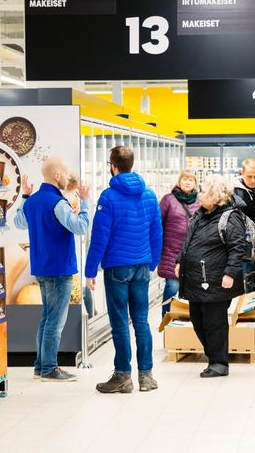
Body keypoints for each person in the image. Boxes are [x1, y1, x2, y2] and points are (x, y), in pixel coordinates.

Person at [85, 146, 163, 394]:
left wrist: (89, 271)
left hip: (117, 268)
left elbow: (100, 237)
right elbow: (157, 233)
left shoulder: (108, 197)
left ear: (112, 166)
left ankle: (122, 376)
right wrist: (153, 262)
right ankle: (147, 376)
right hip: (141, 265)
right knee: (141, 320)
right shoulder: (149, 195)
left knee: (119, 322)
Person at [13, 157, 91, 382]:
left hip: (41, 267)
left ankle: (40, 365)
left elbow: (19, 223)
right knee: (55, 322)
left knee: (46, 318)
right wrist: (85, 203)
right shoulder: (58, 203)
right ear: (57, 176)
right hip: (59, 268)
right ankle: (48, 368)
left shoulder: (33, 201)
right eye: (66, 174)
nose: (68, 178)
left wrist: (25, 196)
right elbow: (80, 227)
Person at [176, 174, 246, 378]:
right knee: (197, 319)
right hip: (196, 279)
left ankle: (219, 363)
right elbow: (188, 241)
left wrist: (230, 273)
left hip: (215, 279)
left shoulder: (230, 216)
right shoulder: (200, 214)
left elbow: (237, 247)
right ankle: (213, 356)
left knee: (215, 323)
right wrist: (180, 260)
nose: (200, 194)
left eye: (204, 191)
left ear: (215, 196)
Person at [158, 170, 200, 317]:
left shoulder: (199, 201)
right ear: (179, 181)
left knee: (190, 290)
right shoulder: (168, 200)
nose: (188, 182)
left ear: (195, 183)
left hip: (192, 253)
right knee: (172, 286)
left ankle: (184, 322)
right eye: (185, 179)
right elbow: (158, 224)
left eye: (191, 180)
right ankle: (167, 318)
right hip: (171, 252)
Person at [64, 173, 96, 318]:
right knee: (81, 284)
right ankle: (91, 313)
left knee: (81, 284)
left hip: (74, 246)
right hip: (78, 243)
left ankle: (91, 312)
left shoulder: (65, 197)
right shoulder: (72, 198)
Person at [233, 158, 255, 292]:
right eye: (249, 176)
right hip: (244, 248)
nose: (253, 180)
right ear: (242, 173)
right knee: (246, 285)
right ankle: (248, 313)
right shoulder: (234, 193)